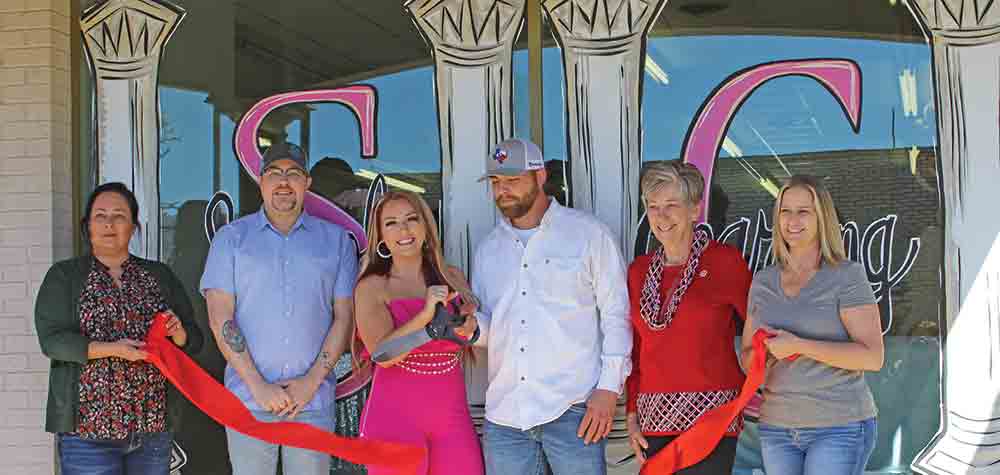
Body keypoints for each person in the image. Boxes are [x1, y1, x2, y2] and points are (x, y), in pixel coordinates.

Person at [471, 138, 632, 475]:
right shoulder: (487, 251)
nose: (503, 191)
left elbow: (616, 314)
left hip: (574, 410)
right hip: (506, 417)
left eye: (513, 180)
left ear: (540, 175)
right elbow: (493, 329)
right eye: (496, 182)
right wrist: (470, 329)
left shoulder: (589, 235)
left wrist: (608, 388)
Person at [200, 142, 358, 475]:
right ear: (260, 181)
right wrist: (257, 384)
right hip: (249, 400)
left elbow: (344, 318)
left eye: (293, 173)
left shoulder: (337, 241)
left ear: (307, 183)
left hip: (311, 401)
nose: (284, 182)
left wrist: (311, 382)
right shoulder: (231, 240)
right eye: (274, 173)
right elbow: (220, 318)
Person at [35, 182, 203, 475]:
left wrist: (178, 332)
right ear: (87, 226)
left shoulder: (159, 275)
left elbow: (194, 340)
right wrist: (115, 350)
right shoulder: (64, 276)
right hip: (87, 433)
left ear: (134, 226)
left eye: (119, 216)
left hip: (152, 428)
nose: (109, 224)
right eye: (100, 216)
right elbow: (53, 341)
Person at [742, 175, 883, 475]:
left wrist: (799, 346)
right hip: (777, 429)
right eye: (785, 211)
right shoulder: (763, 282)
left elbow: (872, 357)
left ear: (822, 217)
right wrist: (759, 355)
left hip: (838, 427)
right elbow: (746, 357)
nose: (793, 220)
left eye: (803, 211)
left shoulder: (846, 276)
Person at [624, 161, 752, 473]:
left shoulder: (725, 262)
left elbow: (760, 330)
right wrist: (630, 414)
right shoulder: (638, 272)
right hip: (654, 420)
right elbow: (636, 351)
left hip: (713, 421)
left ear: (695, 210)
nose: (661, 216)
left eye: (671, 205)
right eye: (653, 206)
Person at [354, 190, 483, 475]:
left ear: (426, 225)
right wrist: (425, 317)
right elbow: (382, 356)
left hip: (452, 419)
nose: (404, 229)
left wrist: (471, 329)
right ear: (380, 236)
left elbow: (472, 336)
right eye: (391, 223)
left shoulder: (453, 278)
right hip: (394, 421)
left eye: (412, 219)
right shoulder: (372, 286)